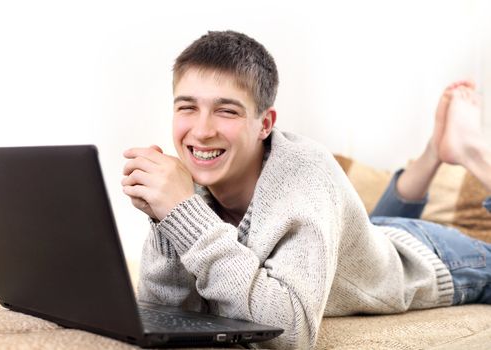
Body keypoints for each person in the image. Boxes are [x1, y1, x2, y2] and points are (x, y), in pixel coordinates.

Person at [121, 30, 491, 349]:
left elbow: (287, 334)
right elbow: (167, 316)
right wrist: (166, 220)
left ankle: (475, 154)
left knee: (388, 249)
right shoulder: (195, 182)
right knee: (375, 231)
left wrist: (184, 214)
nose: (201, 131)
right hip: (371, 241)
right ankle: (434, 153)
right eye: (187, 107)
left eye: (227, 111)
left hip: (437, 256)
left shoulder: (306, 173)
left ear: (265, 123)